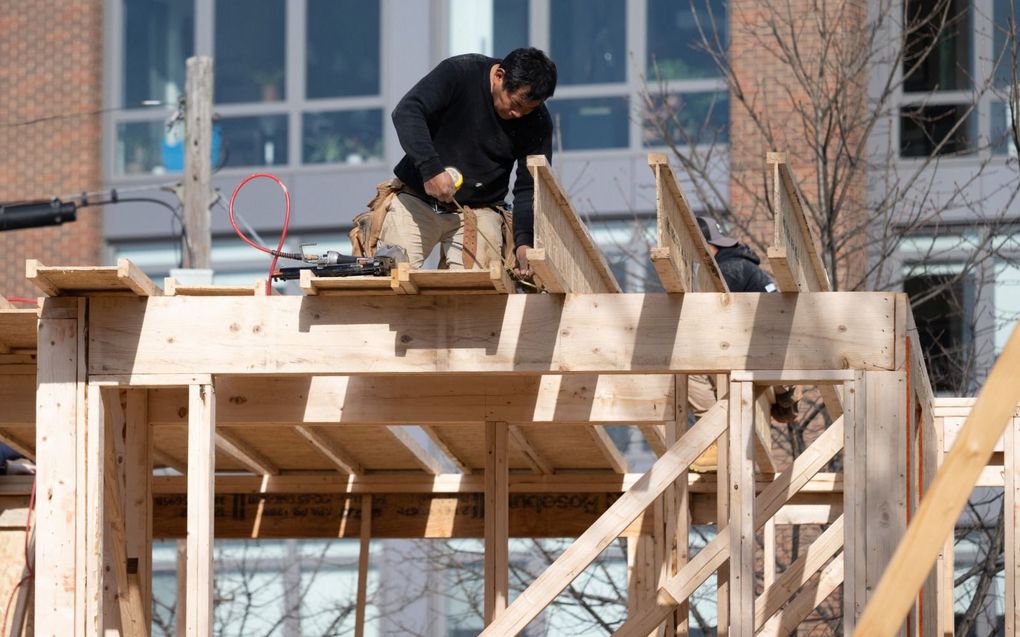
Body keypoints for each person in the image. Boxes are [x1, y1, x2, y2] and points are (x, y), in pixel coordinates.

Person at [356, 48, 557, 277]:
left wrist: (524, 242)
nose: (519, 114)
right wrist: (430, 170)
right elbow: (407, 111)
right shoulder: (460, 72)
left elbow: (528, 188)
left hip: (479, 211)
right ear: (499, 76)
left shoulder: (538, 122)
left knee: (478, 290)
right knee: (390, 277)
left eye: (529, 109)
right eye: (516, 103)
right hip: (417, 197)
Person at [688, 216, 799, 471]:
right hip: (773, 347)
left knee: (687, 365)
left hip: (762, 351)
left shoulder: (726, 271)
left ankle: (713, 440)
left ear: (707, 246)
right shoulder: (742, 266)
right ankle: (786, 390)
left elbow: (712, 324)